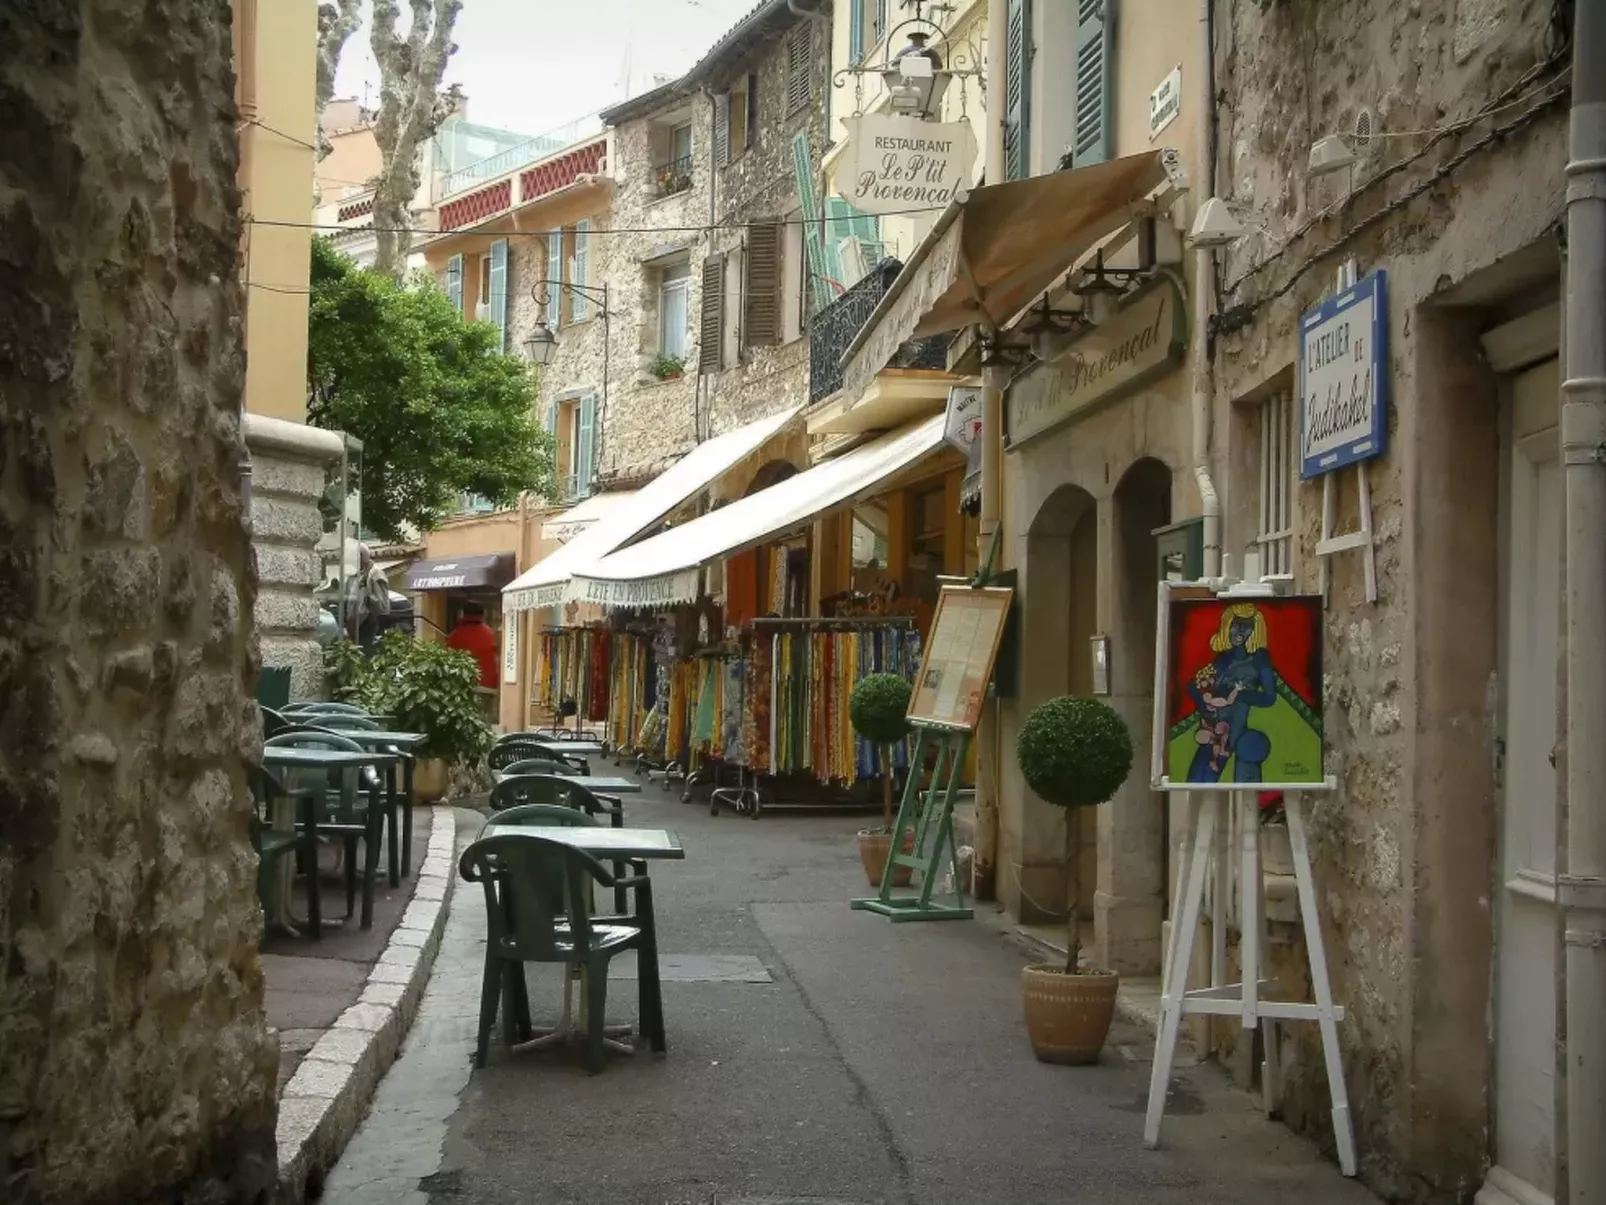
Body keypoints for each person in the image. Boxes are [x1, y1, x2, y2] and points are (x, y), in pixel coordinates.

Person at [346, 544, 391, 649]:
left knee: (365, 655)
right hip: (355, 624)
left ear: (361, 556)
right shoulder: (356, 574)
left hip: (367, 623)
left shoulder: (375, 573)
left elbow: (382, 605)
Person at [447, 601, 500, 689]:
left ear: (463, 614)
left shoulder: (454, 636)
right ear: (483, 615)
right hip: (488, 684)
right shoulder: (490, 634)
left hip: (462, 685)